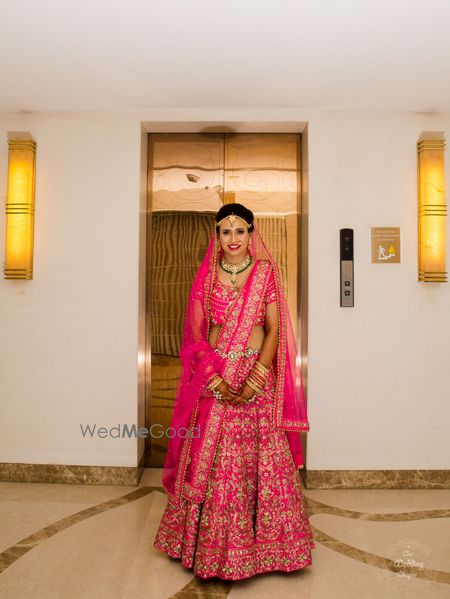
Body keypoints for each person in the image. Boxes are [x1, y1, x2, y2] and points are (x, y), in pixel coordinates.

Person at [153, 203, 315, 580]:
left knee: (263, 461)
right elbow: (196, 337)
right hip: (217, 379)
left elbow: (274, 328)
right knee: (218, 461)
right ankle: (210, 548)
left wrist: (258, 376)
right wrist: (215, 380)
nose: (233, 239)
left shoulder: (265, 273)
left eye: (240, 230)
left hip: (256, 380)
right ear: (217, 236)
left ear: (251, 233)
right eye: (225, 231)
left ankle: (272, 548)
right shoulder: (206, 277)